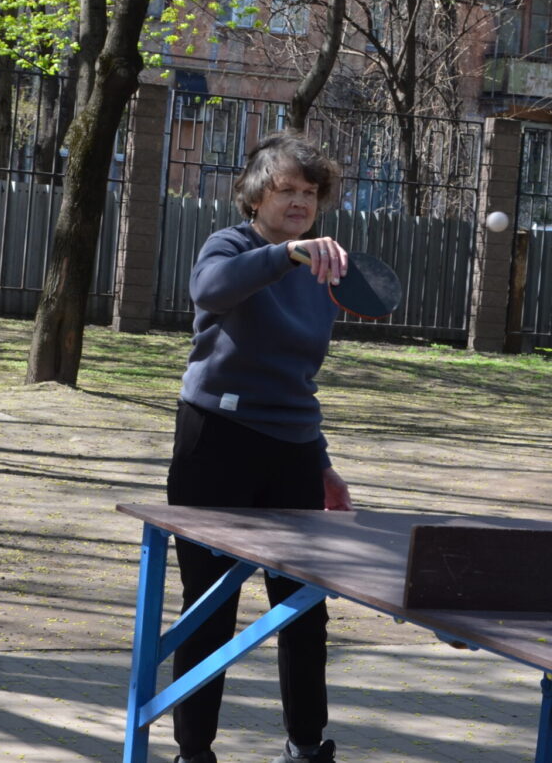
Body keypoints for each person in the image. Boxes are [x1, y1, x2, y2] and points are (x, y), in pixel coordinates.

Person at [167, 132, 354, 763]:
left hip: (293, 449)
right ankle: (194, 750)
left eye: (311, 192)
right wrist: (287, 255)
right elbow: (210, 291)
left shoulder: (323, 271)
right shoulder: (230, 245)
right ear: (255, 197)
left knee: (302, 606)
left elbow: (298, 376)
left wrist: (320, 461)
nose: (300, 202)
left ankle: (306, 746)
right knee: (209, 606)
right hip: (216, 439)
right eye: (287, 190)